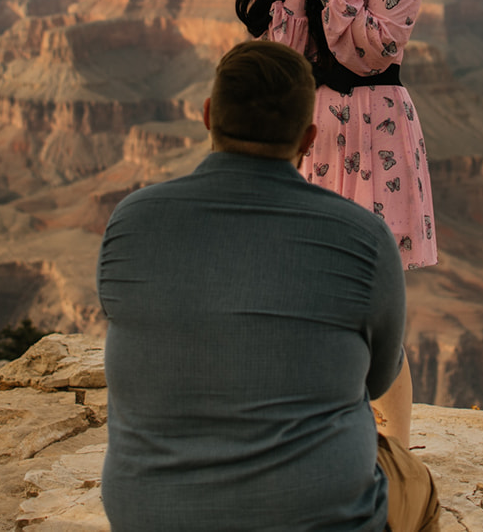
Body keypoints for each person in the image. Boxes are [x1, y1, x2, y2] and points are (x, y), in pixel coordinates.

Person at [99, 40, 441, 532]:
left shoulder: (131, 222)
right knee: (417, 485)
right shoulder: (363, 238)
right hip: (321, 518)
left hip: (151, 517)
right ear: (308, 138)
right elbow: (377, 379)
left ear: (208, 114)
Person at [233, 0, 438, 272]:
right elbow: (281, 70)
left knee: (372, 271)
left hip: (376, 132)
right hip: (314, 138)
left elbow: (375, 52)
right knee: (314, 270)